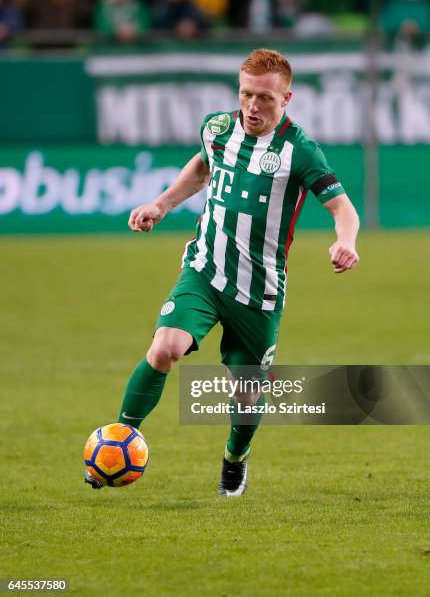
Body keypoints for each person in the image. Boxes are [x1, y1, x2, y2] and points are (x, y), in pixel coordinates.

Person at [85, 48, 360, 496]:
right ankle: (118, 441)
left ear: (287, 97)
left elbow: (342, 207)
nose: (253, 106)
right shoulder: (218, 127)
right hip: (204, 269)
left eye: (265, 99)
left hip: (260, 290)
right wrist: (162, 203)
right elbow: (203, 165)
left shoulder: (301, 151)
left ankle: (235, 457)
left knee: (246, 392)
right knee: (165, 348)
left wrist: (345, 240)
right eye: (246, 94)